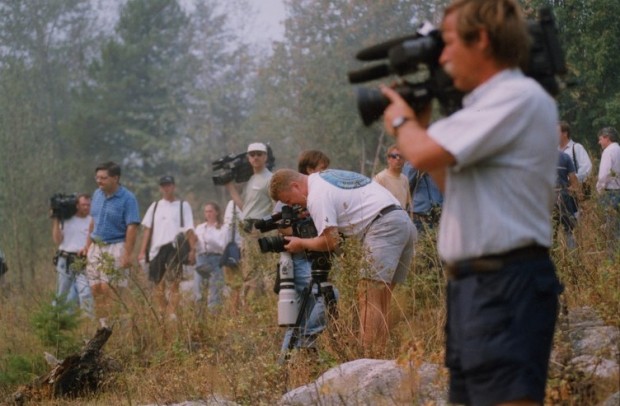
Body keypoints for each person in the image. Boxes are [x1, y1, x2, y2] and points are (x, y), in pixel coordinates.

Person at [380, 1, 564, 405]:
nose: (442, 57)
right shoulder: (482, 107)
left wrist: (399, 120)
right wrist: (421, 127)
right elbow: (449, 180)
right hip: (475, 285)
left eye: (447, 43)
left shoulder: (514, 96)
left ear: (480, 39)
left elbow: (425, 155)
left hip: (505, 282)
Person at [269, 168, 416, 356]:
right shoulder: (325, 177)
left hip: (383, 226)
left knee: (368, 297)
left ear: (295, 186)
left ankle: (366, 359)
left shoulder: (316, 195)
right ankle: (379, 356)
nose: (294, 205)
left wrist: (301, 243)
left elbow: (331, 241)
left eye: (289, 200)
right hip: (401, 220)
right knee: (381, 298)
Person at [86, 161, 140, 320]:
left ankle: (116, 330)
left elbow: (132, 227)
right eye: (97, 177)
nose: (99, 181)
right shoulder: (96, 194)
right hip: (96, 246)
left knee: (110, 290)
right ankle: (102, 328)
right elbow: (92, 221)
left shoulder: (128, 198)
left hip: (116, 246)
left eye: (103, 178)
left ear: (115, 178)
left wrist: (127, 254)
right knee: (96, 290)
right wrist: (87, 246)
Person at [138, 176, 196, 320]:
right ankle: (162, 312)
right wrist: (141, 251)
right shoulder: (155, 206)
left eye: (168, 185)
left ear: (173, 186)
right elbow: (147, 230)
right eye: (163, 185)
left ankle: (172, 313)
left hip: (175, 247)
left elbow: (189, 229)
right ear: (160, 188)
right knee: (158, 283)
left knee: (174, 281)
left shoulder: (183, 206)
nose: (166, 188)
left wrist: (193, 250)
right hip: (157, 249)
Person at [225, 142, 274, 300]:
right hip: (249, 232)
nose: (255, 157)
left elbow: (276, 208)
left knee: (269, 274)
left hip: (264, 231)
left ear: (265, 156)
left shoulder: (271, 179)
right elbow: (245, 208)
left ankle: (272, 311)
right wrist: (230, 186)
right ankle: (255, 316)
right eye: (252, 154)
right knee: (251, 276)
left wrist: (266, 228)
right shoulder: (251, 179)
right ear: (248, 158)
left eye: (259, 154)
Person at [51, 193, 94, 318]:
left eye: (88, 205)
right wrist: (56, 220)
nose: (86, 207)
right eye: (83, 205)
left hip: (83, 259)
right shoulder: (67, 220)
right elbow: (58, 240)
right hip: (65, 258)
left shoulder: (91, 220)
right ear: (77, 205)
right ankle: (55, 320)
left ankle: (87, 321)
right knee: (61, 293)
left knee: (85, 292)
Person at [193, 202, 227, 312]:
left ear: (216, 212)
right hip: (201, 258)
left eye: (210, 211)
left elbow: (222, 245)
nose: (208, 214)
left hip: (216, 259)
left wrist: (209, 239)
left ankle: (214, 317)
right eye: (206, 211)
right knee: (199, 290)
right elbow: (197, 246)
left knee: (215, 291)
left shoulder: (222, 227)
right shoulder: (200, 227)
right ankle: (200, 318)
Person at [595, 127, 620, 243]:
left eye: (600, 139)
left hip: (610, 193)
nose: (599, 142)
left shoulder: (608, 151)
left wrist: (599, 189)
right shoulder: (618, 149)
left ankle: (612, 258)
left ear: (607, 138)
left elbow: (604, 174)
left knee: (610, 229)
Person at [403, 161, 443, 233]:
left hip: (438, 217)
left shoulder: (439, 166)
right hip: (418, 219)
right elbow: (405, 184)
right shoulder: (411, 164)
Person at [373, 145, 411, 211]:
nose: (398, 159)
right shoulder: (380, 178)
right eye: (394, 156)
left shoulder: (405, 179)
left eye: (401, 156)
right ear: (388, 159)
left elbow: (406, 203)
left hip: (402, 218)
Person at [555, 152, 580, 249]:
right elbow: (574, 182)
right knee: (568, 230)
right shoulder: (565, 157)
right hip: (563, 196)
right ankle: (573, 260)